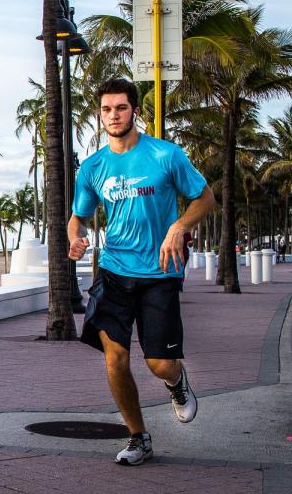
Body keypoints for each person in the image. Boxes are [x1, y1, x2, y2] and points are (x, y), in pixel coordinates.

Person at [68, 78, 215, 466]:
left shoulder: (165, 155)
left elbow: (205, 197)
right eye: (106, 109)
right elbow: (78, 218)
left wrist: (179, 226)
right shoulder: (93, 167)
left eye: (120, 108)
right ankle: (139, 438)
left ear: (134, 110)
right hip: (114, 269)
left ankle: (176, 382)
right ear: (100, 113)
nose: (113, 115)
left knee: (158, 363)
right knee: (114, 357)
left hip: (160, 272)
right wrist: (76, 238)